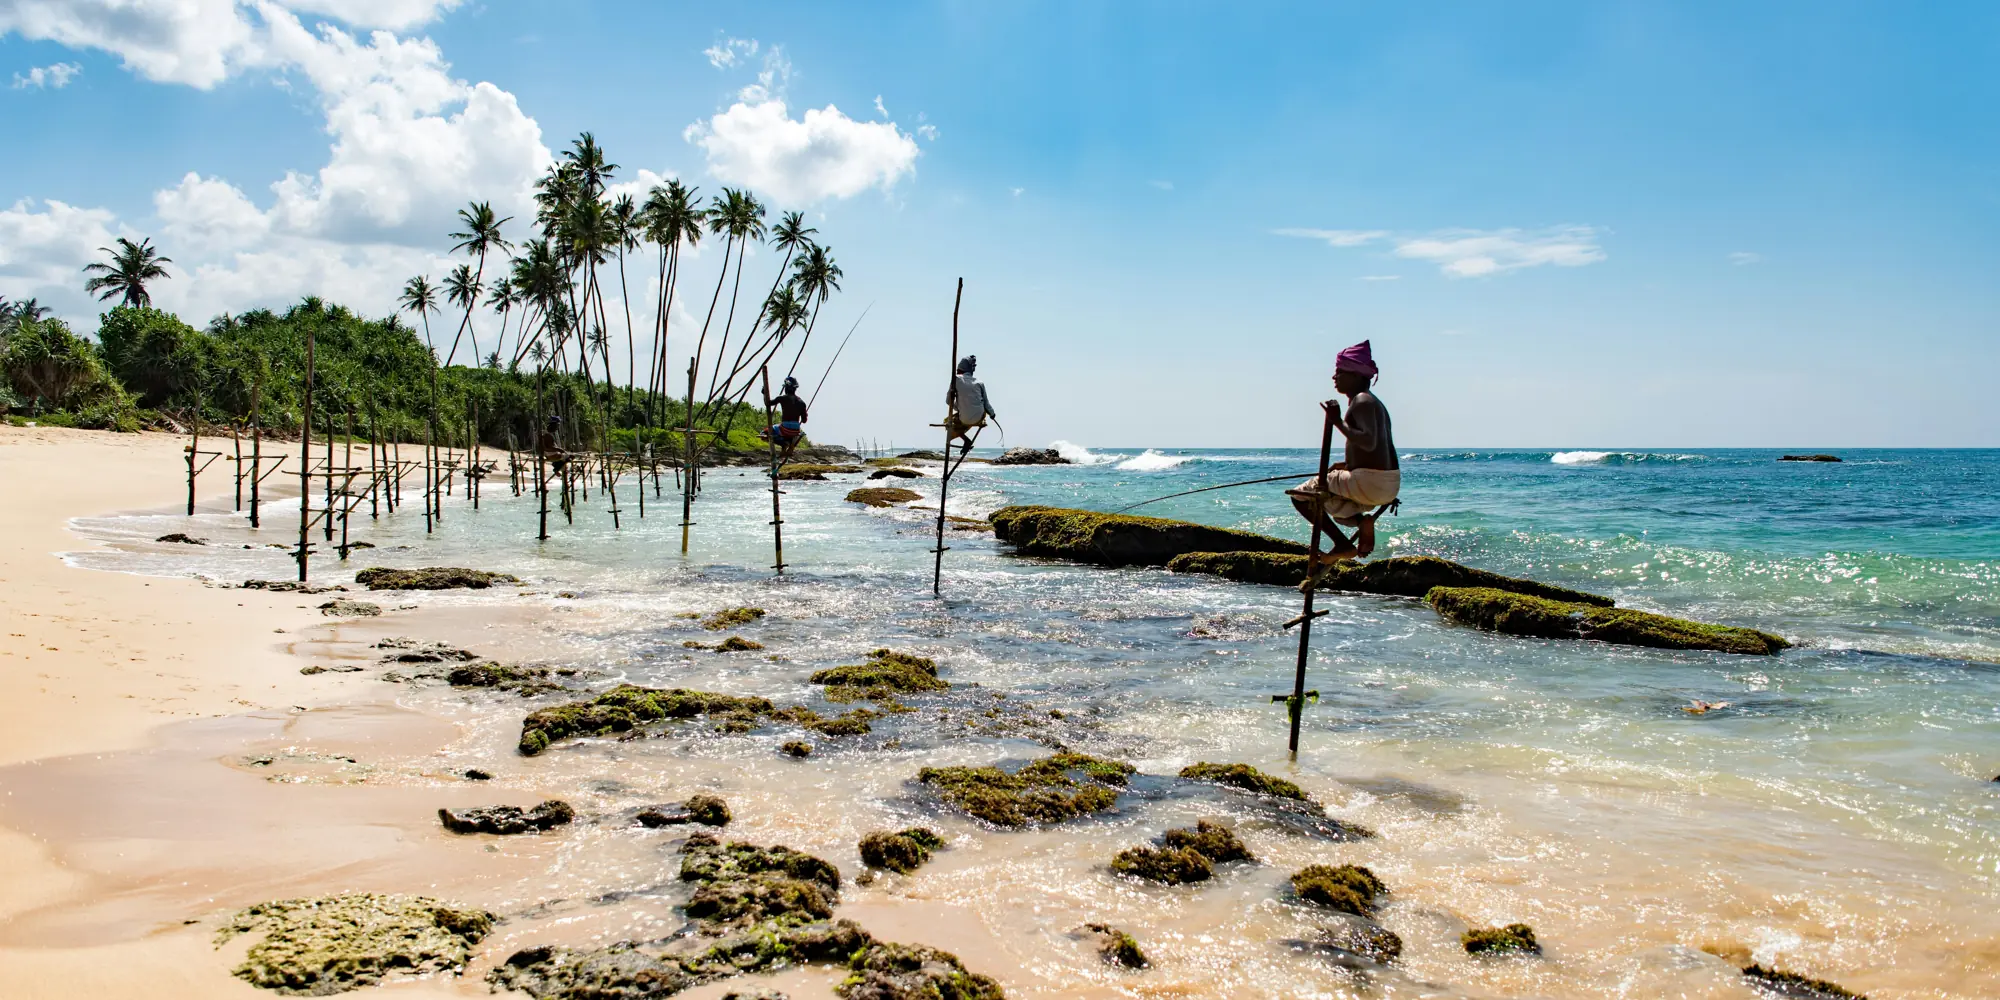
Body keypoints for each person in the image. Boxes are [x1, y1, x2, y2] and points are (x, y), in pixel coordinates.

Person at [1287, 340, 1399, 563]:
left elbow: (1368, 442)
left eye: (1340, 371)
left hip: (1368, 482)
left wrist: (1336, 421)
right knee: (1337, 509)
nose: (1334, 377)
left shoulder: (1362, 400)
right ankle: (1361, 522)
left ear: (1356, 375)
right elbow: (1378, 450)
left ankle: (1342, 545)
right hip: (1387, 484)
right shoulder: (1376, 404)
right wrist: (1347, 466)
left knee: (1301, 496)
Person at [944, 355, 997, 453]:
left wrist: (959, 408)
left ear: (960, 370)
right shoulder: (979, 382)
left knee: (948, 422)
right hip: (979, 417)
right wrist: (992, 414)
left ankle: (965, 440)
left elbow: (948, 401)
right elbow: (986, 403)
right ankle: (967, 441)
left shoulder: (956, 379)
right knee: (977, 409)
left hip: (964, 418)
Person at [760, 376, 808, 458]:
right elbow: (804, 420)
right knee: (786, 433)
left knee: (764, 433)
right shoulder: (802, 402)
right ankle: (788, 446)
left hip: (785, 428)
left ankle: (784, 444)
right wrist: (804, 414)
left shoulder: (782, 398)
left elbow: (768, 403)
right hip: (795, 430)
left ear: (786, 388)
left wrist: (765, 394)